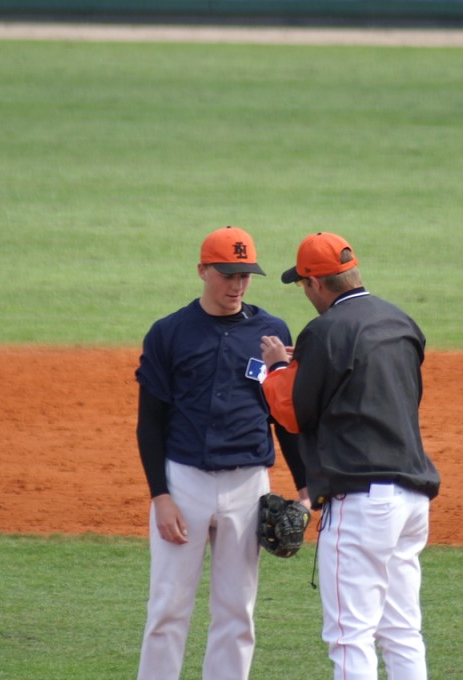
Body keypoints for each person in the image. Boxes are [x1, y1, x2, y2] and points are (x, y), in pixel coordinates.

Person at [259, 231, 441, 680]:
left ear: (316, 283)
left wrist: (278, 367)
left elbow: (292, 413)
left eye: (303, 285)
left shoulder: (325, 330)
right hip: (412, 499)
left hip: (363, 504)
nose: (305, 294)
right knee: (402, 631)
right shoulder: (401, 321)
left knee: (350, 636)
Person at [135, 225, 306, 680]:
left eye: (245, 275)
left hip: (248, 485)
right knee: (168, 607)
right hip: (184, 482)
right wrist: (160, 495)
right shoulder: (169, 333)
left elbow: (284, 415)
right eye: (227, 274)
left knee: (237, 610)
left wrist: (307, 484)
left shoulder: (271, 332)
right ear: (202, 271)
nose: (237, 285)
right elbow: (150, 421)